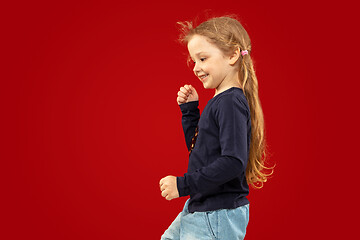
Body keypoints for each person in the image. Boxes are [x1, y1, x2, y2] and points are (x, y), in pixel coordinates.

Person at [159, 15, 272, 240]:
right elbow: (200, 150)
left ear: (232, 55)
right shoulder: (220, 101)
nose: (196, 68)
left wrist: (183, 185)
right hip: (201, 206)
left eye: (202, 58)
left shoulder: (230, 102)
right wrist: (190, 112)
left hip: (216, 214)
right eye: (194, 61)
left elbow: (233, 162)